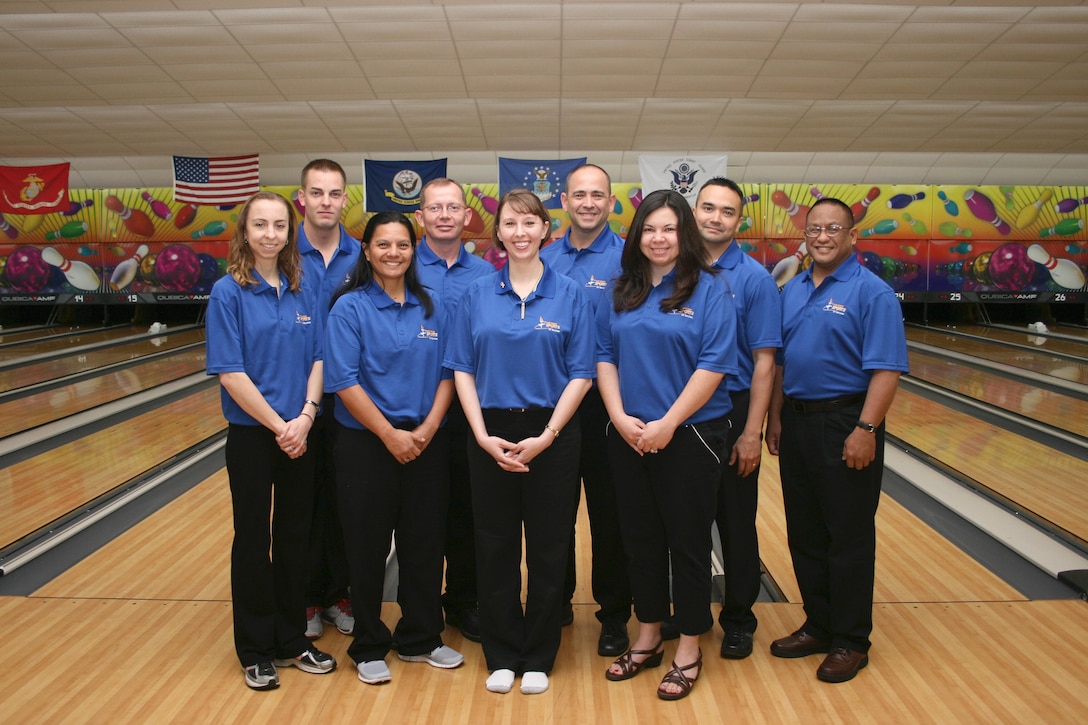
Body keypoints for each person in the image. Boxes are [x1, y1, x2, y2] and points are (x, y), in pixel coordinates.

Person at [444, 188, 594, 695]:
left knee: (551, 548)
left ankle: (539, 653)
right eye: (511, 223)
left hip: (553, 431)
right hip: (489, 431)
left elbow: (581, 374)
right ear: (499, 233)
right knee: (496, 546)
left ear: (545, 230)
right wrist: (482, 435)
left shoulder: (571, 293)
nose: (521, 232)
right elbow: (462, 368)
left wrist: (548, 435)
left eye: (530, 223)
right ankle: (503, 652)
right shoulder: (477, 294)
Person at [597, 189, 738, 701]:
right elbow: (604, 356)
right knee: (640, 541)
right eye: (650, 229)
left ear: (687, 235)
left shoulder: (712, 290)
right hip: (628, 434)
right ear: (637, 235)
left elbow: (714, 364)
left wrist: (667, 424)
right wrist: (619, 417)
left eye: (670, 229)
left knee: (688, 544)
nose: (659, 238)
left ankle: (690, 646)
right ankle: (650, 633)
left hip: (692, 435)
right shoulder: (620, 290)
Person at [765, 197, 908, 684]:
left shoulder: (873, 293)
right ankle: (819, 624)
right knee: (805, 533)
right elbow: (782, 360)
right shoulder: (794, 287)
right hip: (800, 422)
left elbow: (887, 369)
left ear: (852, 237)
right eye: (814, 229)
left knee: (846, 536)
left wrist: (865, 430)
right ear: (805, 235)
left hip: (846, 421)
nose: (822, 237)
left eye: (833, 229)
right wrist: (776, 417)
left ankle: (851, 640)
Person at [325, 211, 464, 685]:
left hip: (426, 440)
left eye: (402, 244)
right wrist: (390, 435)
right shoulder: (349, 308)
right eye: (382, 245)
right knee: (365, 547)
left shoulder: (434, 307)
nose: (393, 253)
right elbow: (343, 380)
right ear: (366, 251)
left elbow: (450, 372)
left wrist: (425, 430)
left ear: (414, 249)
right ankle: (368, 643)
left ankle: (421, 637)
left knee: (425, 544)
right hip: (366, 444)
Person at [206, 191, 336, 690]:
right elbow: (231, 373)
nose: (269, 234)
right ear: (244, 231)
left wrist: (305, 416)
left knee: (295, 539)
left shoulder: (306, 287)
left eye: (278, 225)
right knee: (254, 540)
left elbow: (320, 357)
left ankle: (291, 639)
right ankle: (256, 647)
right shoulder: (228, 292)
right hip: (253, 437)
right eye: (259, 225)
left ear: (290, 231)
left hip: (301, 431)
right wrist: (280, 426)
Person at [541, 163, 631, 657]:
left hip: (608, 406)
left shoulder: (629, 259)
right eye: (580, 194)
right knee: (551, 513)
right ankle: (552, 606)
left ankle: (614, 614)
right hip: (552, 402)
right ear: (566, 201)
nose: (589, 202)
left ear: (611, 201)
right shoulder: (544, 257)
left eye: (598, 194)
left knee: (609, 515)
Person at [693, 178, 781, 660]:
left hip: (733, 408)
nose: (715, 218)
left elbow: (765, 361)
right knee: (684, 520)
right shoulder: (673, 269)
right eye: (708, 208)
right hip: (684, 409)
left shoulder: (754, 280)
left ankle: (740, 618)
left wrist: (753, 432)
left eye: (727, 212)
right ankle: (688, 611)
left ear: (738, 221)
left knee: (735, 521)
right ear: (694, 211)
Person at [414, 178, 494, 643]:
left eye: (453, 208)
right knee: (423, 519)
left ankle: (465, 601)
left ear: (467, 217)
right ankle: (421, 606)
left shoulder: (486, 275)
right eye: (434, 208)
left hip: (469, 417)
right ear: (420, 217)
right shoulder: (402, 266)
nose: (444, 215)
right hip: (416, 415)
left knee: (468, 515)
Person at [296, 159, 360, 641]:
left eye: (334, 194)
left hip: (345, 401)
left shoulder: (363, 256)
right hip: (292, 402)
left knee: (345, 503)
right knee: (302, 505)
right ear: (303, 198)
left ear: (345, 200)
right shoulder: (279, 252)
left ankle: (340, 592)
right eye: (316, 193)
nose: (325, 202)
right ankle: (304, 598)